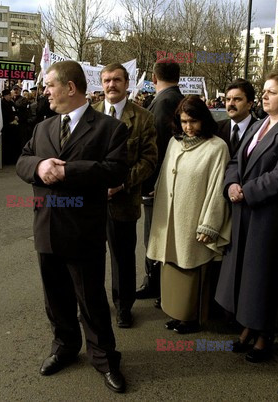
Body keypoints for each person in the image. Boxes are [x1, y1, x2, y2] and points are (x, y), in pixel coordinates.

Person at [16, 60, 129, 393]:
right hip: (46, 227)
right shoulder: (43, 128)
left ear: (70, 87)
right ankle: (65, 346)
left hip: (83, 231)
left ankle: (105, 358)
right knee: (55, 298)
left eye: (50, 85)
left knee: (91, 300)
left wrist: (68, 171)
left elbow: (115, 171)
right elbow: (21, 162)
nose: (45, 91)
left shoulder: (110, 128)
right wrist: (39, 166)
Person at [215, 71, 278, 363]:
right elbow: (235, 160)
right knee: (245, 275)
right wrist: (231, 184)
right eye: (264, 91)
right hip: (245, 213)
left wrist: (246, 191)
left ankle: (263, 334)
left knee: (263, 276)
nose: (265, 96)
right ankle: (247, 327)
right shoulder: (259, 125)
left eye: (272, 92)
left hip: (268, 216)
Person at [146, 95, 231, 334]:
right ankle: (176, 312)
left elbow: (217, 190)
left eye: (193, 121)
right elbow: (166, 171)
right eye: (183, 121)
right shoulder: (175, 142)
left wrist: (209, 224)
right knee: (171, 265)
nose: (188, 127)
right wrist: (159, 189)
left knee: (192, 268)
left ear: (204, 119)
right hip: (171, 214)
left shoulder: (217, 147)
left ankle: (191, 317)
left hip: (193, 217)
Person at [93, 62, 157, 328]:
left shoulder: (142, 118)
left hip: (124, 201)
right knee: (91, 256)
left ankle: (123, 306)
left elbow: (149, 159)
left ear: (127, 83)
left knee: (122, 258)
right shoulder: (89, 113)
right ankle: (94, 304)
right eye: (106, 80)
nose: (111, 85)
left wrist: (122, 183)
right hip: (92, 202)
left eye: (116, 80)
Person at [138, 59, 184, 303]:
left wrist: (149, 183)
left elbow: (156, 146)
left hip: (159, 183)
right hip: (169, 182)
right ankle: (159, 284)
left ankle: (154, 284)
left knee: (154, 237)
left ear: (154, 79)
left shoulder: (164, 102)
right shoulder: (176, 98)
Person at [216, 79, 257, 156]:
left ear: (250, 104)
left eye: (237, 99)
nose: (231, 103)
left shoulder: (260, 130)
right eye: (228, 99)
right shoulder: (216, 129)